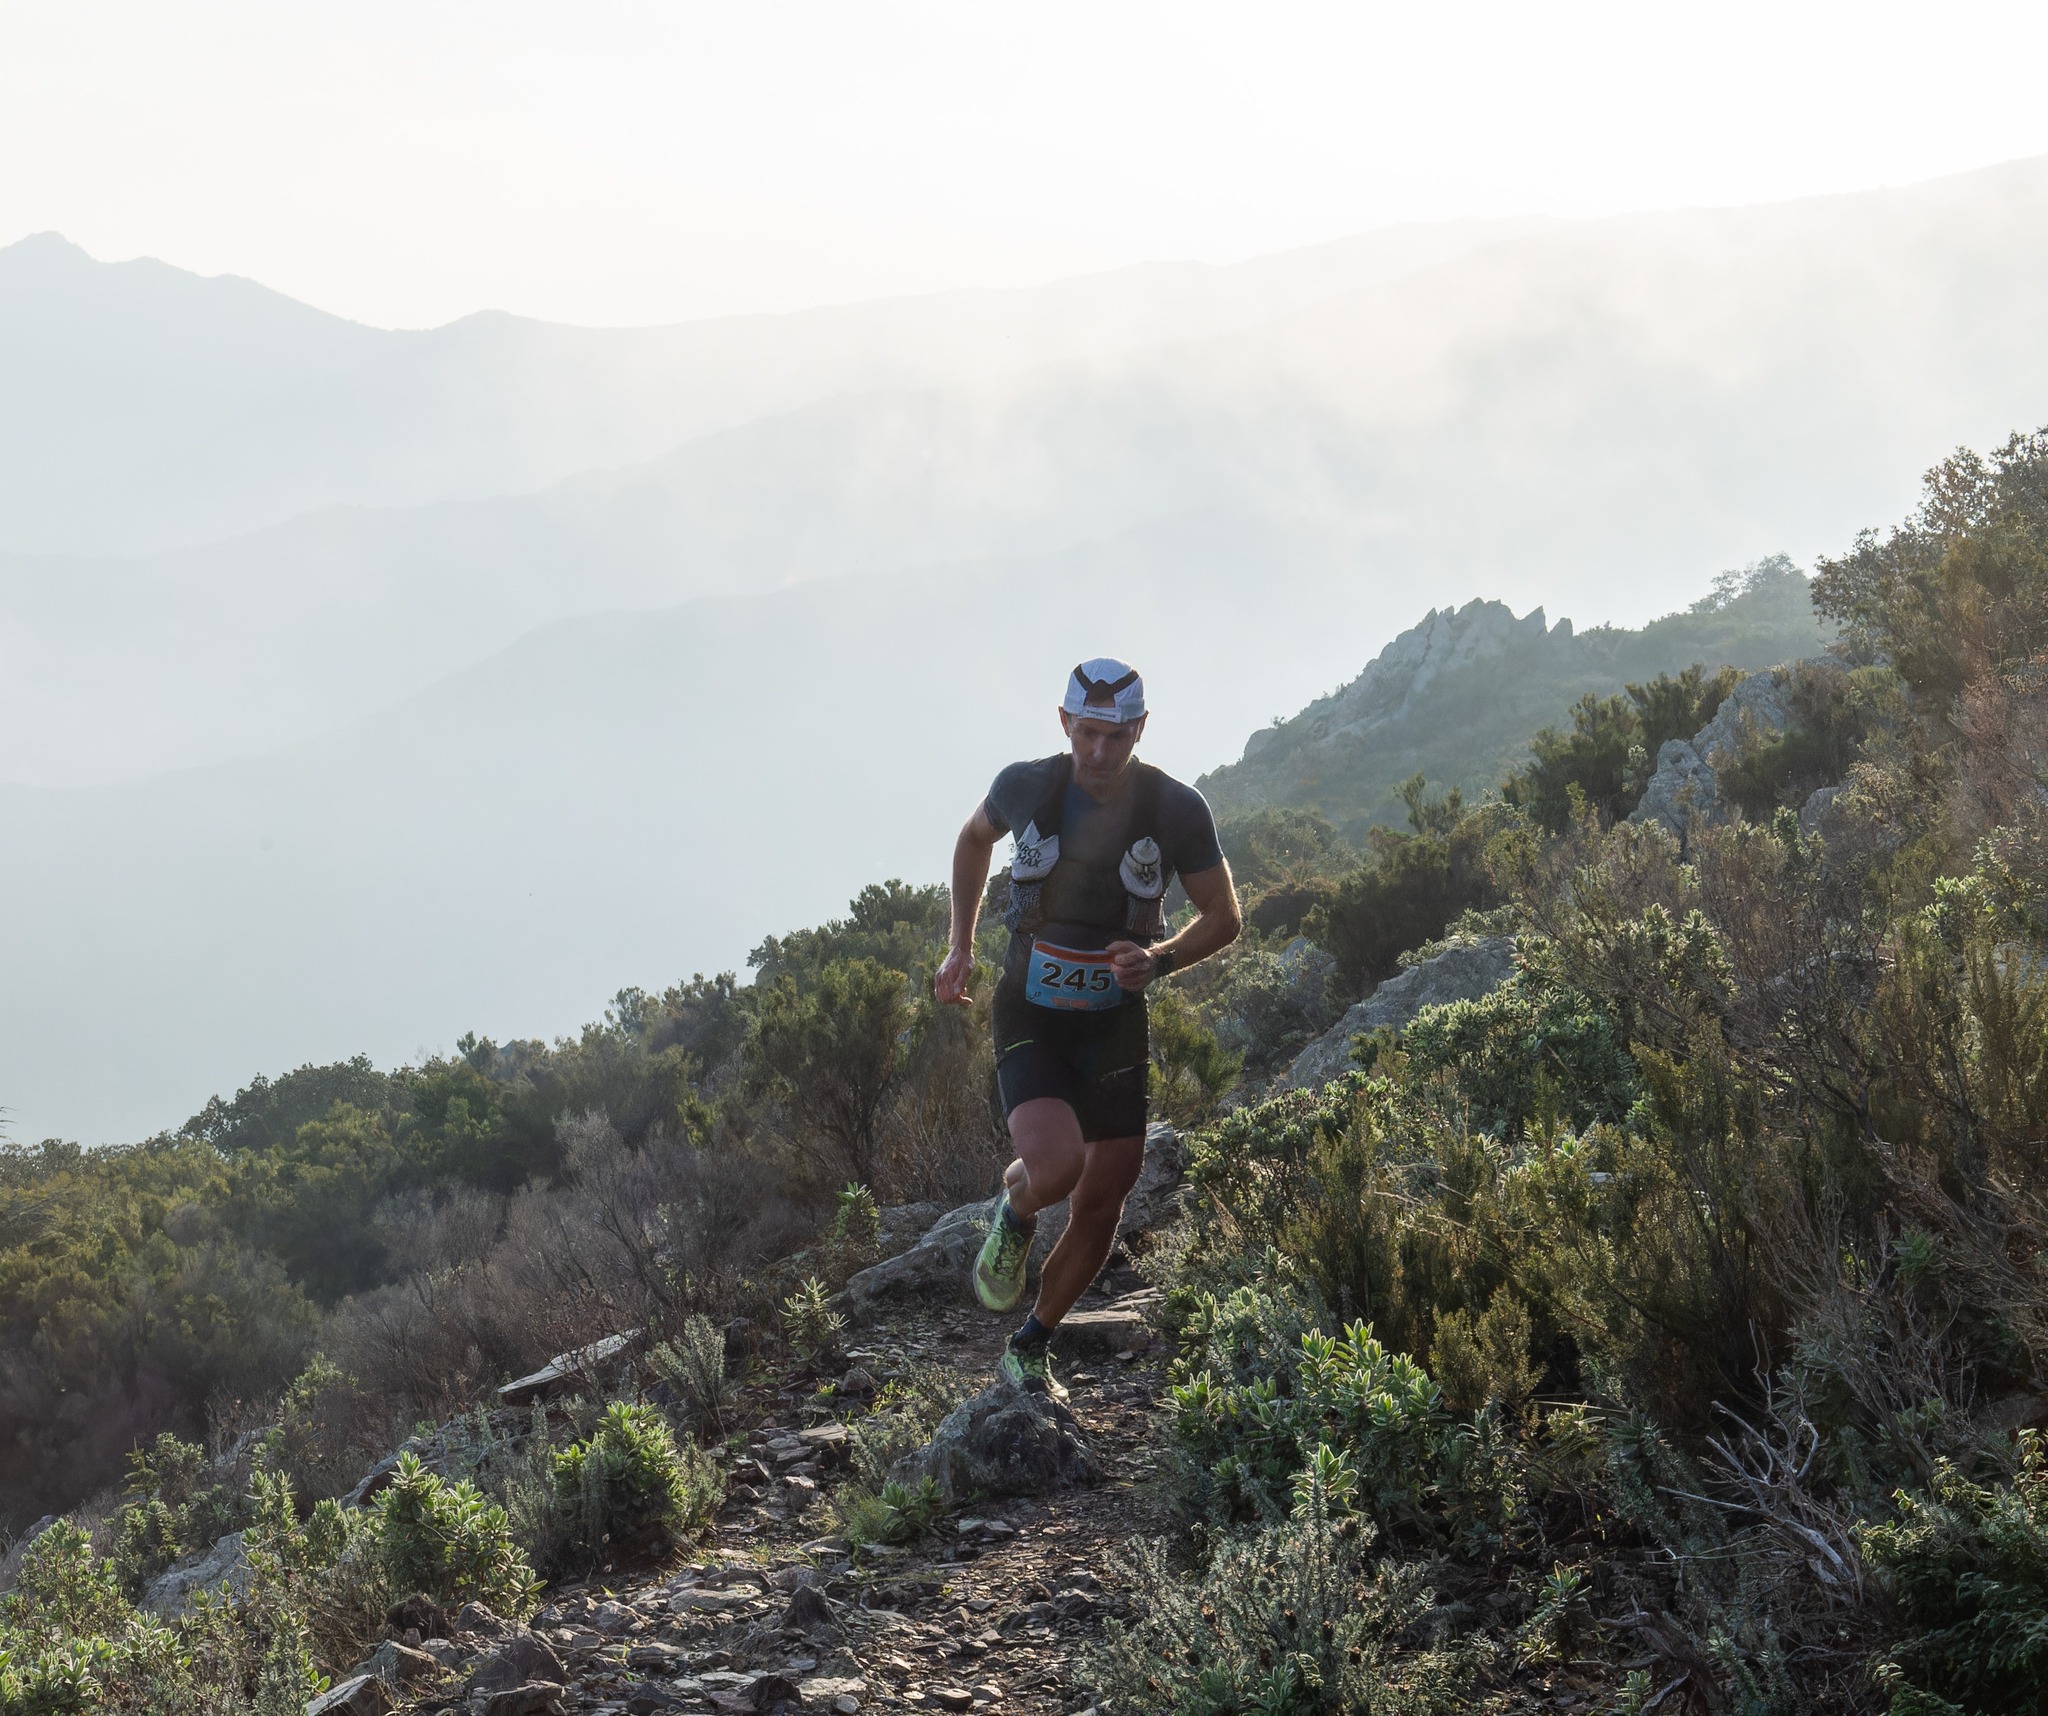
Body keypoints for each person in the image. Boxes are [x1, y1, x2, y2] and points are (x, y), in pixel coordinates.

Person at [933, 657, 1242, 1398]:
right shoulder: (1025, 786)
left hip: (1114, 1022)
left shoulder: (1176, 808)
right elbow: (973, 840)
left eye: (1116, 736)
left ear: (1140, 729)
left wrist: (1158, 961)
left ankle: (1031, 1344)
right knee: (1058, 1168)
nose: (1099, 752)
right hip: (1030, 1010)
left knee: (1103, 1197)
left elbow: (1224, 916)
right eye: (1087, 734)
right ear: (1065, 722)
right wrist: (960, 945)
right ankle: (1017, 1207)